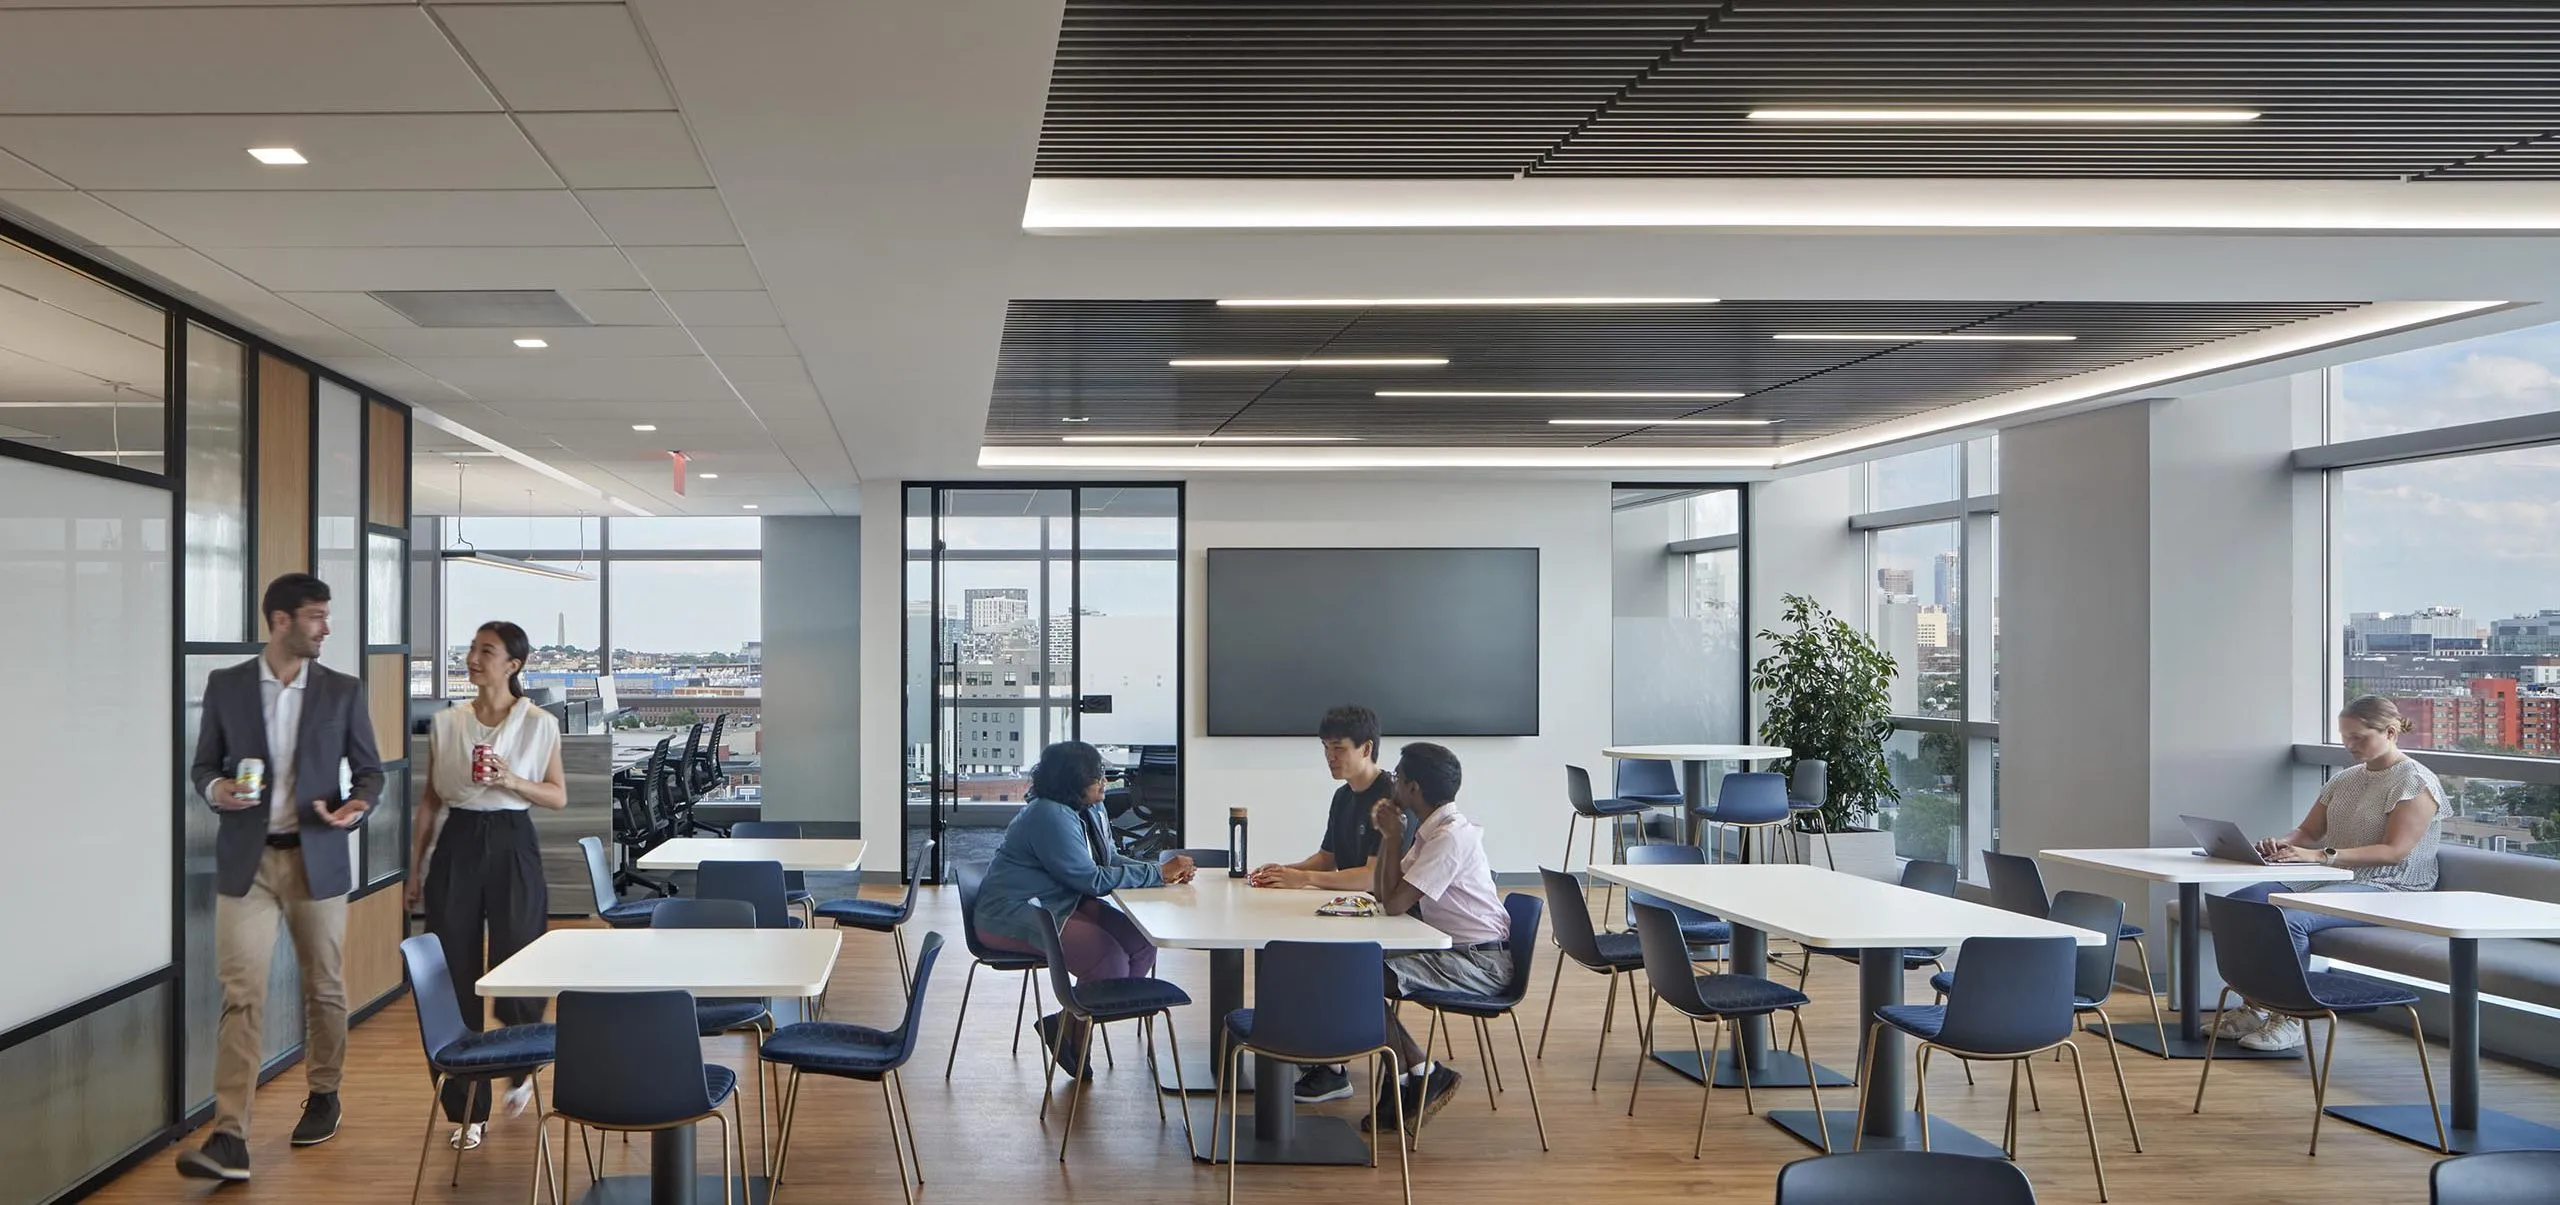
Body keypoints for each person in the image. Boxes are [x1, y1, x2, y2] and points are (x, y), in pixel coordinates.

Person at [178, 574, 383, 1183]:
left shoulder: (342, 691)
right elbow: (203, 766)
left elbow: (370, 773)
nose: (327, 628)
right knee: (241, 993)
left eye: (326, 615)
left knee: (324, 986)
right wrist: (219, 791)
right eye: (316, 617)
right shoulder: (228, 686)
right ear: (280, 621)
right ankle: (229, 1135)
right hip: (249, 863)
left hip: (316, 857)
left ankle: (324, 1093)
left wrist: (357, 807)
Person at [409, 621, 567, 1150]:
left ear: (513, 665)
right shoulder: (446, 722)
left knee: (519, 956)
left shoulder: (540, 723)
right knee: (452, 971)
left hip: (512, 838)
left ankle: (521, 1063)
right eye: (473, 649)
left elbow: (556, 796)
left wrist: (511, 780)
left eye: (486, 650)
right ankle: (467, 1110)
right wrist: (415, 867)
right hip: (457, 841)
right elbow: (431, 799)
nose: (473, 657)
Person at [2213, 695, 2445, 1052]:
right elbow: (2307, 833)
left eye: (2359, 737)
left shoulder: (2414, 782)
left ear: (2391, 731)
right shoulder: (2346, 779)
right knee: (2243, 904)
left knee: (2288, 920)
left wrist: (2320, 856)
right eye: (2345, 736)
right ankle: (2254, 1006)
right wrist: (2282, 844)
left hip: (2391, 887)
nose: (2349, 745)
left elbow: (2395, 851)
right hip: (2336, 877)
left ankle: (2290, 1016)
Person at [976, 741, 1197, 1073]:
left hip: (1059, 904)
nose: (1104, 782)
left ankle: (1066, 1025)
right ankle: (1076, 1048)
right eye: (1097, 777)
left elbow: (1107, 861)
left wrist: (1159, 874)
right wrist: (1157, 873)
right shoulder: (1047, 815)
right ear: (1072, 781)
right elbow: (1091, 879)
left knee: (1140, 946)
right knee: (1107, 960)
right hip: (1012, 913)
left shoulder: (1090, 809)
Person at [1248, 704, 1405, 1102]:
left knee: (1304, 956)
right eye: (1325, 748)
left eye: (1338, 749)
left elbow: (1370, 876)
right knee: (1289, 944)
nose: (1330, 758)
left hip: (1383, 915)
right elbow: (1329, 858)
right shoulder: (1343, 797)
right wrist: (1285, 870)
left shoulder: (1387, 799)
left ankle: (1332, 1067)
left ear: (1366, 747)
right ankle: (1320, 1052)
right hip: (1347, 910)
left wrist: (1303, 880)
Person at [1364, 742, 1508, 1132]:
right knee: (1356, 970)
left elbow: (1394, 905)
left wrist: (1394, 838)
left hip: (1480, 962)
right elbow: (1383, 894)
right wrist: (1390, 837)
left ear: (1413, 789)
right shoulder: (1433, 830)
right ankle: (1413, 1077)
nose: (1391, 780)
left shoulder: (1449, 838)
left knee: (1358, 977)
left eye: (1397, 776)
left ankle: (1419, 1074)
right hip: (1457, 952)